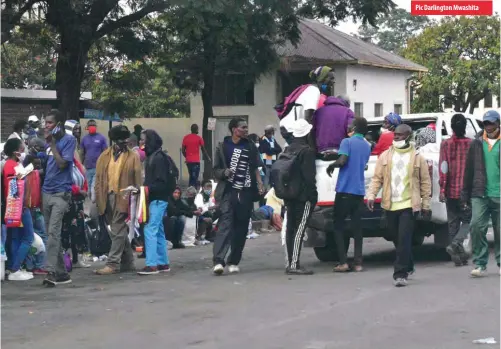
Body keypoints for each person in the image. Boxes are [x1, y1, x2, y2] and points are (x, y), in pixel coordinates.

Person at [367, 124, 431, 287]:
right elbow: (377, 179)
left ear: (408, 137)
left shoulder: (417, 158)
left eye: (400, 136)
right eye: (395, 135)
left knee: (404, 238)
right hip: (390, 204)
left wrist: (426, 204)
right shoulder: (385, 156)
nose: (396, 138)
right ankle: (408, 264)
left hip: (409, 205)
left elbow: (425, 182)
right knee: (396, 238)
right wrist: (371, 195)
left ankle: (400, 274)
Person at [212, 118, 264, 275]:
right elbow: (215, 171)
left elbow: (255, 167)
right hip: (228, 192)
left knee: (241, 228)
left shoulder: (250, 146)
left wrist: (260, 183)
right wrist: (224, 172)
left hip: (246, 192)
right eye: (243, 127)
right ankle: (218, 261)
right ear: (234, 129)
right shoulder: (222, 147)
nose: (246, 130)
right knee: (225, 225)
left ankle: (234, 261)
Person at [94, 125, 142, 275]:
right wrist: (97, 197)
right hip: (106, 196)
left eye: (125, 140)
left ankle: (113, 263)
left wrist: (136, 194)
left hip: (125, 197)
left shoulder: (133, 156)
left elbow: (138, 179)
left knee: (118, 228)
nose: (124, 143)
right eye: (121, 140)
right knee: (117, 231)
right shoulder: (104, 156)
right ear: (114, 141)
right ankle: (128, 262)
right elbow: (98, 178)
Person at [326, 118, 371, 272]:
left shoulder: (347, 142)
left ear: (355, 127)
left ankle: (343, 262)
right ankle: (358, 263)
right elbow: (362, 164)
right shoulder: (367, 145)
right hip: (359, 191)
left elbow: (343, 160)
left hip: (345, 190)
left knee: (338, 225)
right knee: (357, 228)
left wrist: (332, 164)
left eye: (350, 125)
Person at [462, 110, 500, 277]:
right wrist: (465, 194)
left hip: (499, 193)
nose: (489, 126)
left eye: (491, 123)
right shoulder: (476, 143)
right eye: (486, 123)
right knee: (476, 226)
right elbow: (468, 170)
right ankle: (479, 263)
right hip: (480, 192)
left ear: (498, 123)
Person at [41, 109, 76, 286]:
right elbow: (48, 167)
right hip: (46, 191)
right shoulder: (47, 144)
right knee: (50, 234)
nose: (46, 126)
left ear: (59, 124)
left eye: (50, 123)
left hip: (61, 193)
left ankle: (51, 272)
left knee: (54, 232)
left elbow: (62, 164)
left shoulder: (69, 141)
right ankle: (63, 273)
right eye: (45, 122)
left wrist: (53, 145)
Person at [282, 119, 317, 275]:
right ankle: (294, 264)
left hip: (289, 195)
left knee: (290, 228)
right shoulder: (307, 151)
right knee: (300, 229)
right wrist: (313, 196)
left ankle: (290, 261)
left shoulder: (287, 149)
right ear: (307, 133)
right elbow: (309, 177)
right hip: (303, 196)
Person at [138, 129, 175, 275]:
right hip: (159, 199)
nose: (141, 142)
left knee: (150, 229)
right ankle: (162, 263)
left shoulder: (157, 158)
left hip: (157, 199)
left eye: (143, 140)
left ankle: (152, 264)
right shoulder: (157, 156)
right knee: (158, 230)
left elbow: (160, 183)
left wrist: (145, 189)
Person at [439, 114, 472, 266]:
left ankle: (458, 258)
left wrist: (442, 189)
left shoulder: (445, 144)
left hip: (450, 190)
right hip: (466, 192)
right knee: (468, 221)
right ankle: (456, 245)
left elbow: (443, 167)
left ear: (451, 127)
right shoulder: (471, 144)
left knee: (453, 223)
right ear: (465, 127)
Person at [2, 138, 35, 281]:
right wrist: (20, 207)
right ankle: (15, 268)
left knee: (15, 237)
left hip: (15, 207)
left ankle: (13, 268)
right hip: (19, 207)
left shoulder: (14, 165)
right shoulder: (11, 166)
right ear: (16, 151)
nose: (24, 152)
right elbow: (14, 187)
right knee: (28, 237)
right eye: (22, 150)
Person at [279, 66, 334, 143]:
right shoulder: (313, 91)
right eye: (331, 78)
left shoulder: (310, 89)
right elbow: (308, 116)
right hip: (293, 129)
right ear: (322, 78)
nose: (333, 81)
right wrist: (310, 140)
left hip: (288, 127)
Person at [62, 121, 90, 268]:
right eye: (75, 129)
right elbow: (65, 178)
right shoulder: (66, 152)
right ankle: (67, 258)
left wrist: (84, 189)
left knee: (78, 228)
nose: (78, 131)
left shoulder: (75, 152)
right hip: (69, 198)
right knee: (68, 229)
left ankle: (77, 257)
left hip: (78, 198)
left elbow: (81, 172)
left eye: (79, 129)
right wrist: (78, 190)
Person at [23, 137, 48, 275]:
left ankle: (34, 264)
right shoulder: (27, 165)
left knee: (34, 235)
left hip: (36, 205)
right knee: (35, 236)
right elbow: (24, 172)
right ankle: (36, 265)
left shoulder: (38, 167)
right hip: (30, 206)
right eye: (39, 148)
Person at [81, 119, 107, 202]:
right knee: (88, 188)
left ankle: (94, 203)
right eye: (90, 125)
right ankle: (93, 204)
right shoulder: (84, 139)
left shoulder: (101, 138)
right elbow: (82, 152)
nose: (92, 127)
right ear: (87, 128)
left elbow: (105, 152)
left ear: (96, 127)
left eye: (94, 125)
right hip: (88, 167)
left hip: (98, 167)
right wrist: (81, 165)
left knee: (93, 187)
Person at [259, 125, 282, 190]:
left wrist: (272, 150)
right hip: (266, 161)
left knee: (273, 177)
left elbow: (279, 149)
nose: (273, 133)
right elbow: (268, 151)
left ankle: (272, 191)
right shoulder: (262, 139)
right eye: (272, 131)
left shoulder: (272, 139)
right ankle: (264, 192)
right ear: (269, 132)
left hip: (273, 161)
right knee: (267, 177)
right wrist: (274, 150)